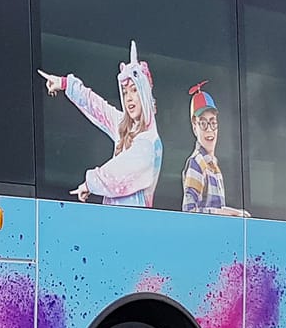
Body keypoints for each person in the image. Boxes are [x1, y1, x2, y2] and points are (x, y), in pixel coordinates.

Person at [40, 43, 161, 206]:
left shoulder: (149, 142)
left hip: (132, 219)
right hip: (113, 216)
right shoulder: (125, 127)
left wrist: (90, 183)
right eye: (125, 92)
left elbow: (120, 171)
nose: (129, 98)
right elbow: (98, 107)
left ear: (144, 93)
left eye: (134, 90)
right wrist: (65, 84)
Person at [179, 83, 246, 216]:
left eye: (213, 122)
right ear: (194, 127)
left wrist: (231, 213)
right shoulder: (196, 162)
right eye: (203, 123)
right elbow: (189, 211)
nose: (209, 129)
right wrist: (224, 213)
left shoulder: (213, 165)